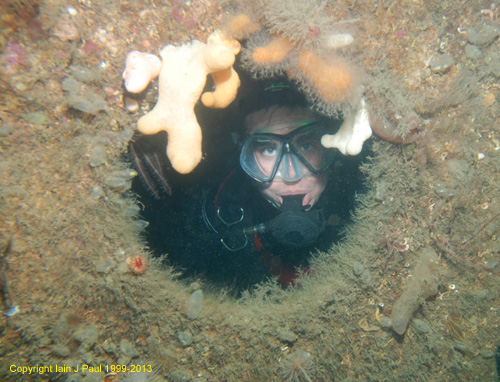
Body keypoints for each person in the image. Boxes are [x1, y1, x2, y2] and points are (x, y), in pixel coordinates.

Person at [201, 104, 339, 285]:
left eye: (306, 145)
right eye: (269, 150)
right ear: (245, 158)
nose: (292, 175)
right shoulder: (221, 214)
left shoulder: (365, 193)